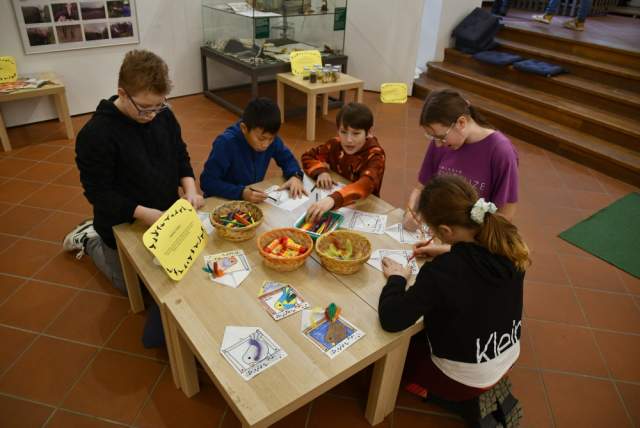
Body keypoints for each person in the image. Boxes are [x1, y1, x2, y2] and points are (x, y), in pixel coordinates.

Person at [63, 49, 203, 347]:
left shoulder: (163, 115)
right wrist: (146, 213)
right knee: (133, 289)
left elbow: (180, 155)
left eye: (159, 106)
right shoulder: (96, 135)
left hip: (163, 214)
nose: (152, 115)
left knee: (182, 272)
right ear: (122, 93)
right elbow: (99, 194)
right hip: (122, 220)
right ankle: (88, 240)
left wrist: (190, 189)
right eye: (145, 108)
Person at [379, 174, 527, 427]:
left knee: (397, 359)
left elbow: (392, 319)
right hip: (506, 353)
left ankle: (456, 400)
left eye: (433, 231)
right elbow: (476, 261)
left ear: (446, 231)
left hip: (463, 377)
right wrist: (448, 249)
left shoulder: (442, 272)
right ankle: (484, 388)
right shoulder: (509, 245)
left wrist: (397, 278)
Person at [403, 89, 518, 259]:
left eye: (441, 137)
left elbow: (504, 218)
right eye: (432, 137)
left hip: (475, 249)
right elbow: (421, 187)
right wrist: (411, 211)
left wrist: (449, 248)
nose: (438, 144)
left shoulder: (500, 151)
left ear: (461, 122)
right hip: (440, 234)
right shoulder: (442, 142)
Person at [200, 97, 305, 203]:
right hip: (221, 200)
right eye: (261, 139)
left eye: (271, 139)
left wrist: (295, 176)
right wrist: (241, 193)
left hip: (249, 198)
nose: (266, 144)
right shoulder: (226, 143)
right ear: (244, 128)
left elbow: (287, 159)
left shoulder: (269, 137)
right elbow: (207, 182)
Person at [302, 102, 385, 222]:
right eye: (343, 132)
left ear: (369, 132)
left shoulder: (375, 155)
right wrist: (321, 171)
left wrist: (332, 200)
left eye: (356, 133)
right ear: (338, 130)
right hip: (337, 205)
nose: (348, 140)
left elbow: (366, 184)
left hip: (364, 207)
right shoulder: (334, 144)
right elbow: (308, 156)